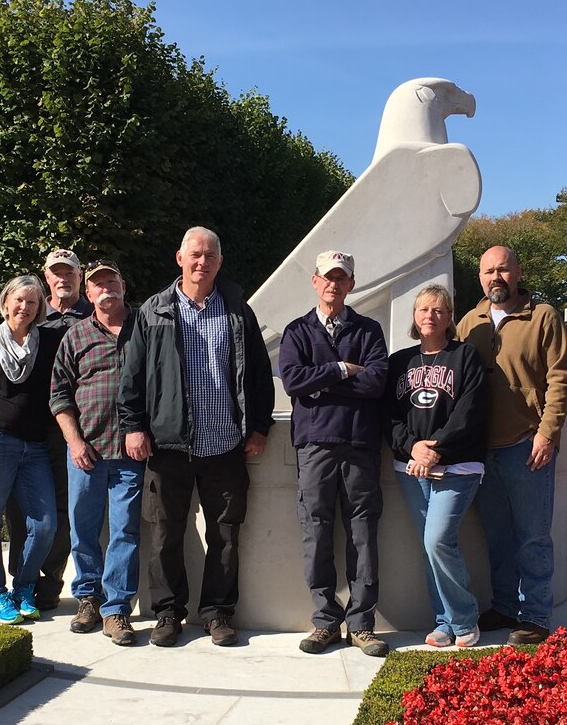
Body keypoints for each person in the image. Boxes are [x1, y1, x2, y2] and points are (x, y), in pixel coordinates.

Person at [119, 226, 275, 648]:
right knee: (166, 532)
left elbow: (259, 374)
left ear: (219, 263)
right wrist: (133, 426)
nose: (201, 262)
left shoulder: (237, 311)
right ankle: (168, 613)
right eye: (195, 254)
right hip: (168, 445)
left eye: (210, 256)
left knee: (225, 534)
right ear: (180, 258)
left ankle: (218, 614)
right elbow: (131, 376)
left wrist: (259, 426)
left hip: (225, 444)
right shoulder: (153, 311)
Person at [456, 245, 567, 645]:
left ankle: (536, 615)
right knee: (498, 536)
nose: (496, 277)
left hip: (526, 444)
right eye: (489, 271)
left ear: (518, 272)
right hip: (480, 451)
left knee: (532, 535)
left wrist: (548, 431)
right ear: (480, 277)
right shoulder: (469, 322)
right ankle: (505, 605)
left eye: (503, 270)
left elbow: (560, 378)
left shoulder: (542, 317)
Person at [278, 250, 390, 657]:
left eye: (341, 278)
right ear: (315, 280)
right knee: (317, 530)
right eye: (327, 277)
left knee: (362, 533)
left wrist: (321, 383)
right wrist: (342, 370)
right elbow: (292, 381)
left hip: (359, 443)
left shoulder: (369, 330)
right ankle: (325, 621)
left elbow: (376, 382)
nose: (333, 284)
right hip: (314, 446)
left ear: (351, 284)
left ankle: (361, 624)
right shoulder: (297, 331)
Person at [0, 275, 64, 625]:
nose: (24, 307)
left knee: (46, 523)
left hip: (34, 447)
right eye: (18, 301)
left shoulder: (50, 341)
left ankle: (23, 586)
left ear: (39, 309)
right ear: (6, 303)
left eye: (32, 303)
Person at [50, 259, 143, 646]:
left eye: (112, 281)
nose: (106, 288)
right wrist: (74, 441)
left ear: (123, 285)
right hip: (86, 453)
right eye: (98, 284)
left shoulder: (145, 328)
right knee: (83, 530)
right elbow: (58, 395)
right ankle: (88, 598)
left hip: (130, 453)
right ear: (88, 294)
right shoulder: (75, 336)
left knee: (125, 531)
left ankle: (117, 610)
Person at [387, 284, 486, 648]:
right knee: (430, 547)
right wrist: (413, 448)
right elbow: (390, 416)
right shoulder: (400, 362)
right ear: (415, 317)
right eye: (424, 309)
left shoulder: (466, 357)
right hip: (411, 469)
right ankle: (443, 621)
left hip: (458, 466)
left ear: (449, 317)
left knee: (437, 539)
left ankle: (463, 618)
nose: (430, 315)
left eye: (439, 310)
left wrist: (436, 450)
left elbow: (469, 412)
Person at [5, 248, 94, 611]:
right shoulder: (32, 318)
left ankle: (50, 580)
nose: (63, 279)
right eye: (56, 273)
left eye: (70, 272)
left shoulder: (96, 317)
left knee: (62, 509)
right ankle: (21, 576)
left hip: (73, 429)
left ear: (80, 278)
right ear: (47, 279)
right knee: (19, 507)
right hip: (30, 427)